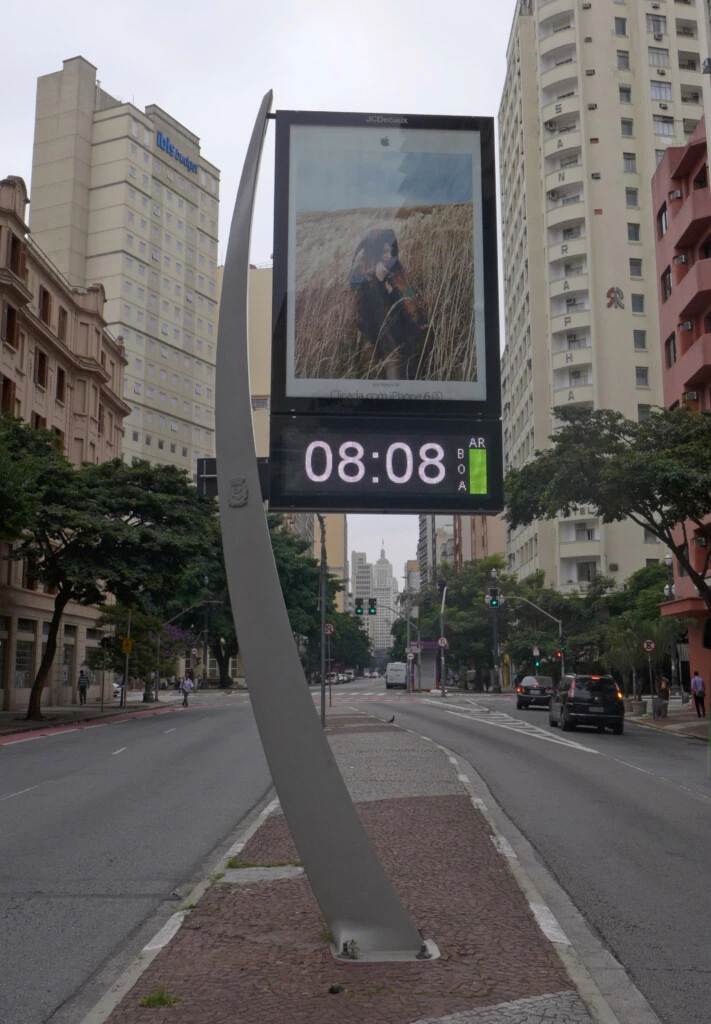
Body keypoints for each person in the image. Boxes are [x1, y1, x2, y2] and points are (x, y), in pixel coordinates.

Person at [349, 228, 429, 380]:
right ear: (376, 252)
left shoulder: (394, 267)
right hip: (373, 336)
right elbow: (360, 309)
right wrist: (376, 281)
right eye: (384, 252)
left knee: (402, 374)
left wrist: (417, 319)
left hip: (398, 335)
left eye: (391, 251)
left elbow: (407, 296)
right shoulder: (362, 271)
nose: (389, 256)